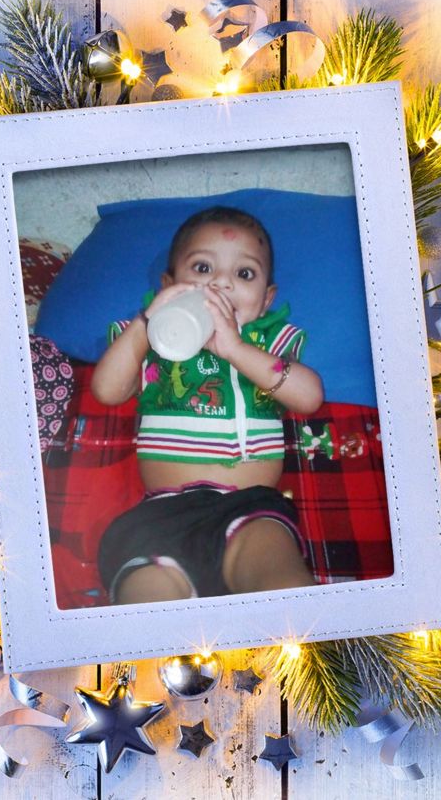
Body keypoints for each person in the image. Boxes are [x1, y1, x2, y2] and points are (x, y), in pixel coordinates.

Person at [91, 206, 324, 604]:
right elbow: (107, 391)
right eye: (202, 268)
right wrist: (147, 323)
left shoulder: (267, 343)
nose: (220, 283)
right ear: (169, 285)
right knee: (148, 597)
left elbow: (310, 397)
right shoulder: (149, 339)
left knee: (280, 581)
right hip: (162, 513)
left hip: (250, 509)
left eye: (244, 274)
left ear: (266, 299)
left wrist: (236, 349)